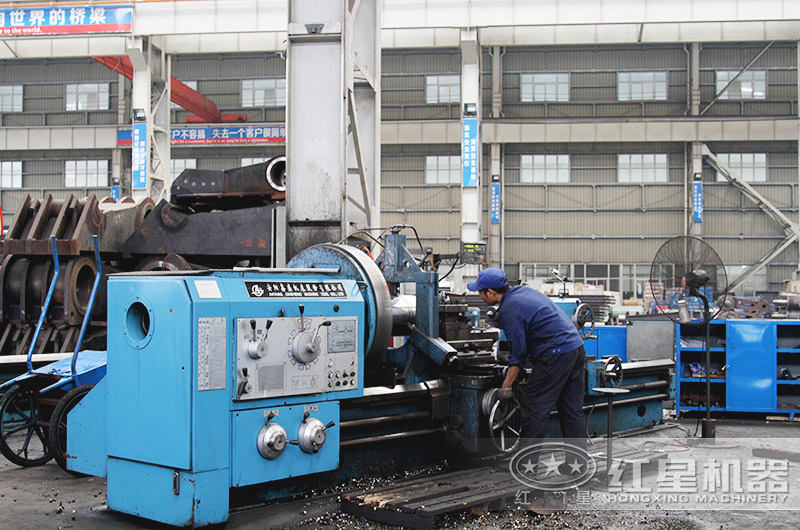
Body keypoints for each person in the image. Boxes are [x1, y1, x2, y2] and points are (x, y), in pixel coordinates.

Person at [468, 268, 587, 447]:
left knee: (533, 407)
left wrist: (506, 385)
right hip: (576, 349)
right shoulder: (522, 292)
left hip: (556, 355)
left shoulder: (509, 309)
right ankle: (578, 464)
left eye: (481, 292)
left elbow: (518, 355)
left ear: (491, 292)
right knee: (571, 410)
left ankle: (525, 466)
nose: (480, 296)